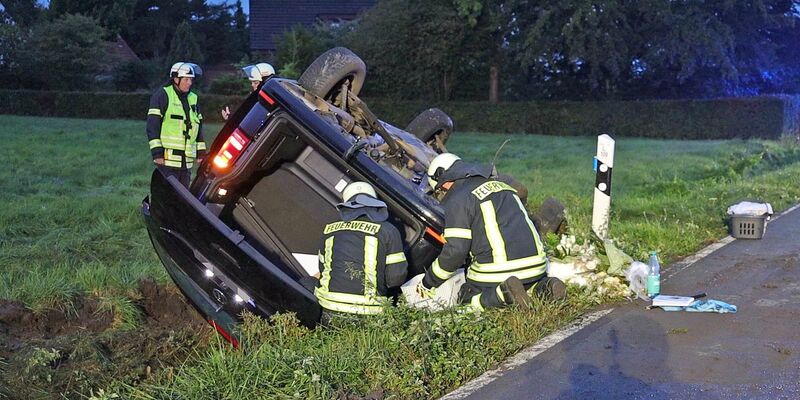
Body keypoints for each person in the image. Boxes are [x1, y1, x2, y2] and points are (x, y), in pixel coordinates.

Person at [417, 153, 566, 311]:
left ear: (444, 182)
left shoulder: (459, 199)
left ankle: (503, 295)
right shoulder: (504, 186)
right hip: (537, 266)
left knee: (465, 296)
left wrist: (428, 282)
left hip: (500, 271)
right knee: (526, 282)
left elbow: (456, 251)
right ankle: (545, 287)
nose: (441, 196)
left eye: (439, 191)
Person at [314, 181, 409, 320]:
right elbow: (395, 279)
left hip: (329, 308)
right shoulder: (388, 231)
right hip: (369, 313)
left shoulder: (329, 230)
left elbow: (323, 269)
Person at [146, 62, 206, 188]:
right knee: (168, 196)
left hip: (186, 162)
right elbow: (152, 126)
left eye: (191, 80)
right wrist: (157, 153)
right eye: (186, 79)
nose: (189, 83)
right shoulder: (162, 95)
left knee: (182, 198)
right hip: (168, 160)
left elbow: (198, 127)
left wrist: (201, 152)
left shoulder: (193, 98)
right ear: (175, 78)